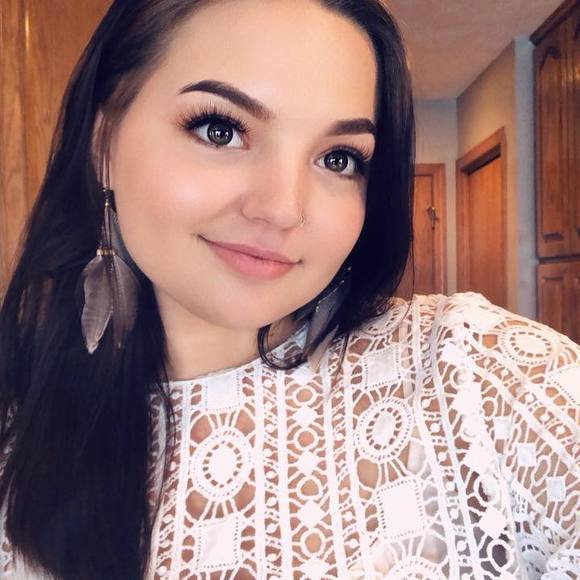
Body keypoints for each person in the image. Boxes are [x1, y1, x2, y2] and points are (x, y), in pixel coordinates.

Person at [0, 0, 578, 578]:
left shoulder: (470, 372)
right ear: (103, 145)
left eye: (338, 159)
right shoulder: (19, 428)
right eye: (221, 130)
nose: (282, 209)